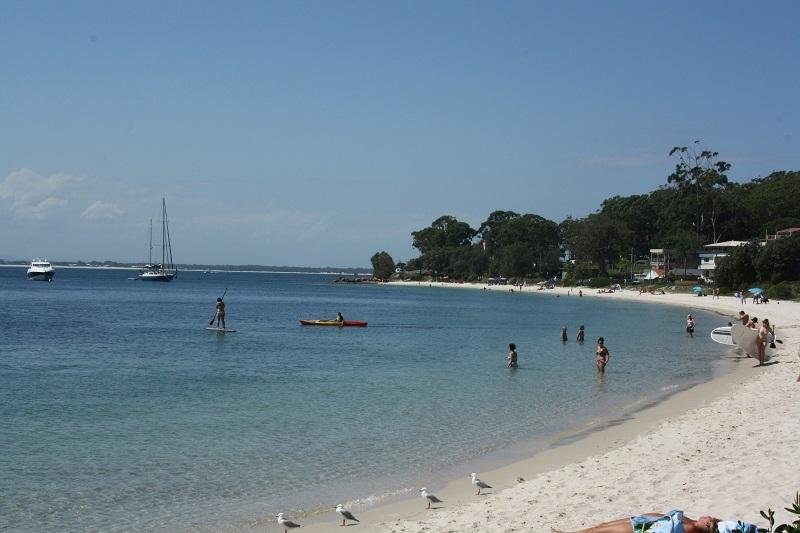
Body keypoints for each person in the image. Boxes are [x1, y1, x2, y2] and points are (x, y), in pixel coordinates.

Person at [551, 510, 758, 533]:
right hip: (643, 521)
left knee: (599, 532)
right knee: (601, 527)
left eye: (711, 521)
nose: (709, 517)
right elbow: (663, 515)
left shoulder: (691, 530)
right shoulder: (690, 520)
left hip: (641, 530)